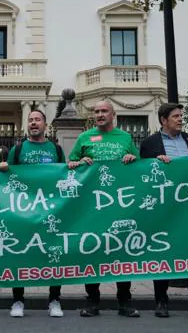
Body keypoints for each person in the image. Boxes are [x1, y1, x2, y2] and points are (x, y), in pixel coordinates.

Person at [139, 103, 188, 319]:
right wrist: (155, 163)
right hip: (164, 208)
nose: (181, 119)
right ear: (163, 120)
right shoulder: (149, 143)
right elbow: (142, 174)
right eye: (175, 116)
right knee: (162, 252)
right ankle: (161, 301)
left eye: (182, 116)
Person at [68, 100, 140, 318]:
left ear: (113, 114)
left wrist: (132, 158)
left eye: (103, 111)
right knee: (93, 250)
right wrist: (79, 162)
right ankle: (92, 300)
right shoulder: (84, 137)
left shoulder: (125, 138)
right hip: (91, 206)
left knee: (121, 250)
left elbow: (139, 167)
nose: (99, 114)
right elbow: (69, 166)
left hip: (119, 205)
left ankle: (125, 301)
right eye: (96, 111)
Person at [0, 109, 66, 318]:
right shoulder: (17, 150)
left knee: (54, 253)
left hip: (50, 209)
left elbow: (64, 175)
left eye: (37, 120)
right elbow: (7, 178)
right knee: (20, 253)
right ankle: (17, 301)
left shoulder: (55, 148)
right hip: (23, 211)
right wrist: (1, 168)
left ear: (45, 125)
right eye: (30, 120)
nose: (33, 123)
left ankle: (54, 300)